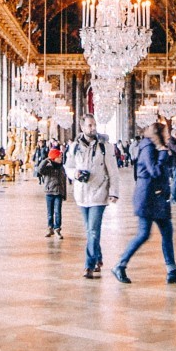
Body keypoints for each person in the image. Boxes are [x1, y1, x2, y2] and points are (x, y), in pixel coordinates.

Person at [113, 122, 176, 286]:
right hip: (148, 197)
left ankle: (172, 271)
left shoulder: (157, 147)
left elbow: (166, 167)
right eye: (166, 132)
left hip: (158, 196)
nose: (169, 134)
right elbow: (154, 171)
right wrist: (163, 153)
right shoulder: (148, 147)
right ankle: (120, 265)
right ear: (159, 134)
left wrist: (166, 153)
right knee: (143, 234)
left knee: (167, 232)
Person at [67, 114, 119, 279]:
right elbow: (68, 166)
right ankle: (98, 258)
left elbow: (113, 171)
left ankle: (89, 266)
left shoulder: (105, 147)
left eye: (94, 125)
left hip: (99, 192)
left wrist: (114, 192)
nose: (93, 128)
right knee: (89, 230)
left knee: (93, 230)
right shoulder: (74, 146)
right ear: (82, 127)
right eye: (89, 125)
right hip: (82, 194)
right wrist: (74, 173)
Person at [35, 147, 68, 238]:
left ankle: (57, 229)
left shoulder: (62, 168)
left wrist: (64, 194)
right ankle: (50, 228)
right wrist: (46, 160)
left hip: (58, 193)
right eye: (59, 156)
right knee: (50, 213)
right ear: (54, 157)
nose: (61, 158)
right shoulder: (48, 168)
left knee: (58, 212)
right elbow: (39, 170)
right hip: (49, 192)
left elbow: (63, 182)